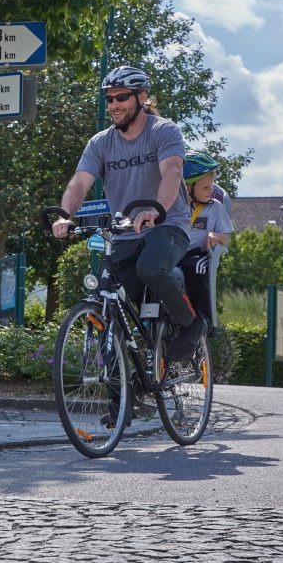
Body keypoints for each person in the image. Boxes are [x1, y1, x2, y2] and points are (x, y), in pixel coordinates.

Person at [50, 65, 206, 360]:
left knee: (150, 267)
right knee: (110, 300)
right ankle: (119, 394)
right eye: (109, 99)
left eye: (121, 97)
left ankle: (191, 323)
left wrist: (154, 209)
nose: (113, 105)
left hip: (167, 225)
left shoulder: (163, 131)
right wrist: (65, 215)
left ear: (141, 97)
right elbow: (79, 182)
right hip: (125, 231)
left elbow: (172, 172)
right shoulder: (100, 143)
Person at [178, 151, 234, 327]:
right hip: (175, 251)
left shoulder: (214, 208)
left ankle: (204, 318)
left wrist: (215, 236)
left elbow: (226, 237)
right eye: (205, 187)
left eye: (212, 186)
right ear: (188, 187)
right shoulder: (176, 205)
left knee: (197, 268)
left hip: (198, 253)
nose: (211, 191)